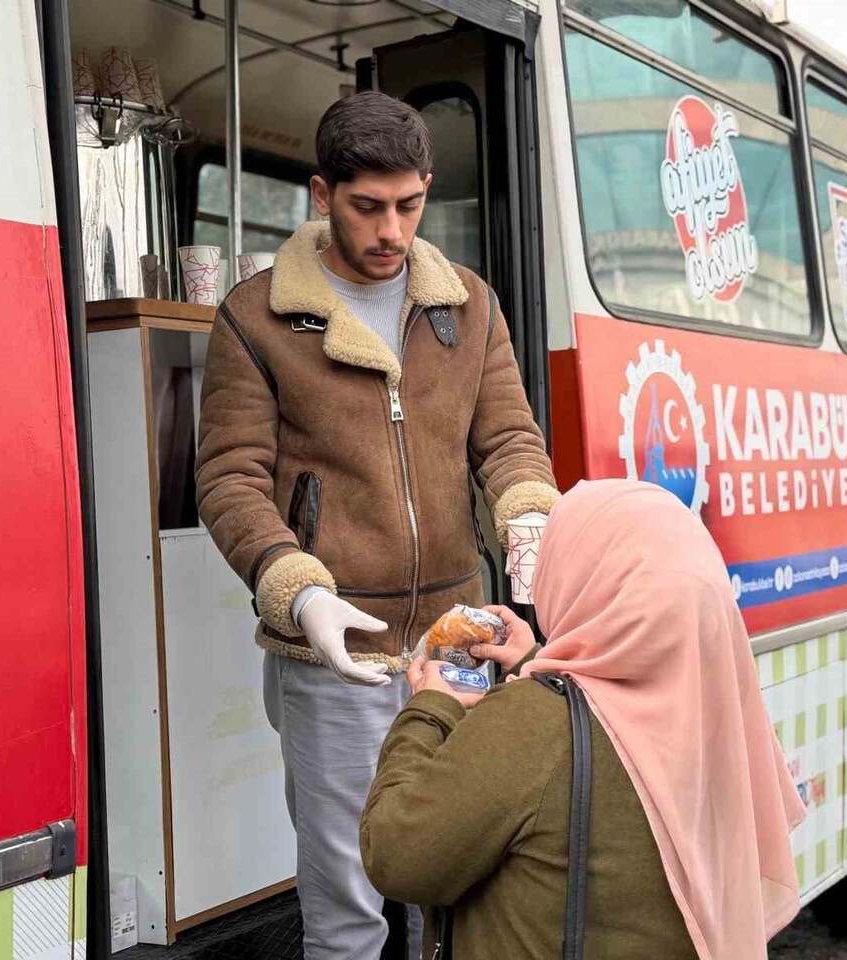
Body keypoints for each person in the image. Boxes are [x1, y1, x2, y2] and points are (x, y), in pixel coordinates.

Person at [195, 91, 560, 959]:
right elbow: (229, 478)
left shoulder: (470, 305)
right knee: (348, 904)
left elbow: (509, 440)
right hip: (337, 651)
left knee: (461, 881)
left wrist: (530, 518)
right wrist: (297, 590)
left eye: (410, 204)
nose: (392, 230)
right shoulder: (255, 317)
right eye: (368, 207)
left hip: (459, 637)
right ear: (323, 195)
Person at [360, 479, 806, 960]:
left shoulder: (534, 721)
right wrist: (536, 659)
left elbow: (398, 856)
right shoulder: (717, 717)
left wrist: (429, 708)